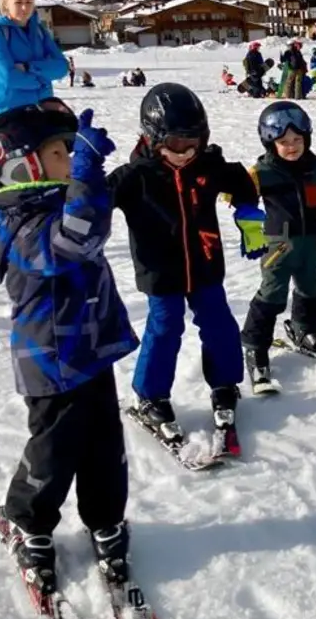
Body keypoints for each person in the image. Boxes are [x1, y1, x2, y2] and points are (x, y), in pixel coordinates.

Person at [0, 99, 137, 593]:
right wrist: (86, 177)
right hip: (49, 359)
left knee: (105, 445)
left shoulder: (50, 202)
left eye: (69, 151)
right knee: (54, 450)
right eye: (61, 152)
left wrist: (91, 175)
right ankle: (28, 520)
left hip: (90, 349)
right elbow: (76, 240)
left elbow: (89, 218)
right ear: (22, 164)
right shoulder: (13, 225)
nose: (71, 159)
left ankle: (105, 516)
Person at [108, 83, 260, 457]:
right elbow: (90, 201)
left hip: (205, 265)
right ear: (152, 136)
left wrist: (248, 212)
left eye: (193, 142)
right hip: (160, 272)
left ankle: (225, 383)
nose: (185, 152)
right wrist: (81, 179)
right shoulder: (134, 177)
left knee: (220, 323)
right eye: (176, 144)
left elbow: (241, 179)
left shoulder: (205, 164)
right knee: (166, 326)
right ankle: (150, 396)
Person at [240, 101, 316, 386]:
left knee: (311, 287)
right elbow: (241, 199)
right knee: (272, 293)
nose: (291, 146)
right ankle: (256, 344)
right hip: (278, 244)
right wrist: (249, 224)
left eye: (297, 140)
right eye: (283, 141)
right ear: (270, 143)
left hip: (312, 242)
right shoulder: (261, 172)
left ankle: (305, 327)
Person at [0, 0, 69, 117]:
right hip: (9, 113)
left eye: (29, 2)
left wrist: (29, 67)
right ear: (5, 3)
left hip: (42, 109)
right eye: (18, 2)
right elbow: (6, 76)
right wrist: (41, 80)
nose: (25, 7)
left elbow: (62, 67)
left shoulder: (39, 30)